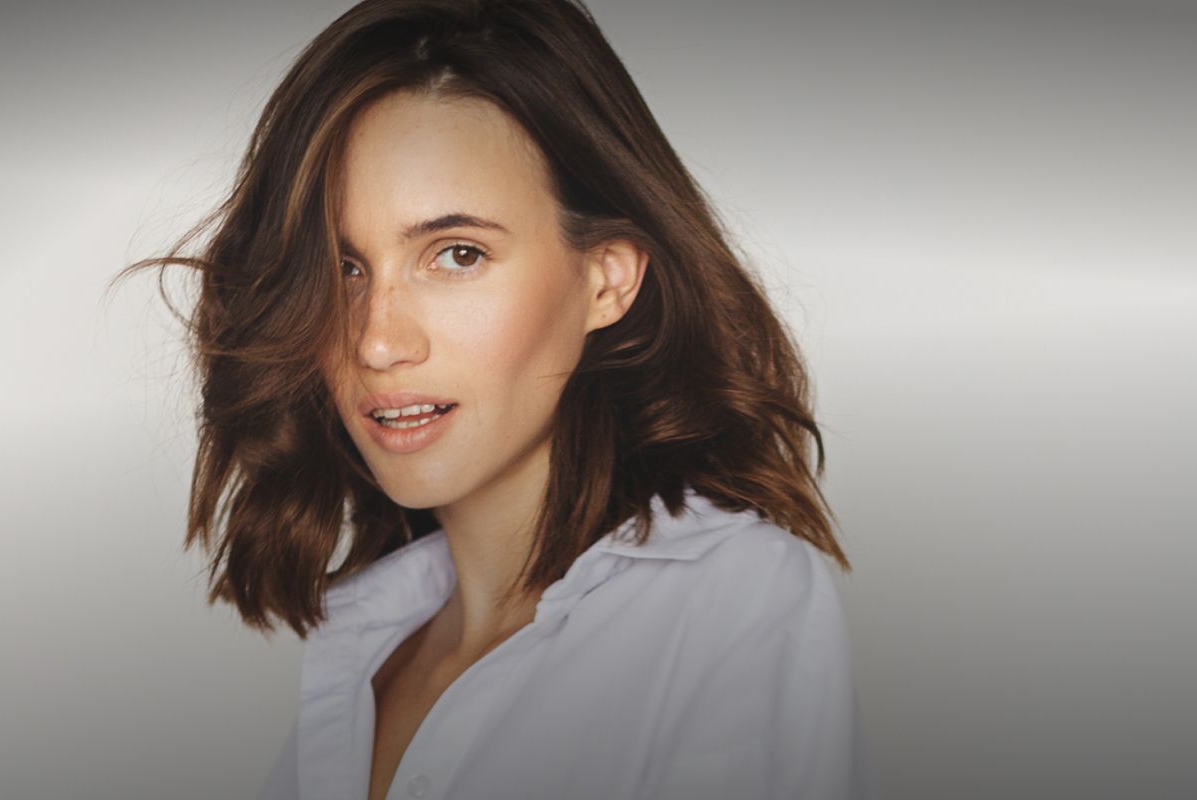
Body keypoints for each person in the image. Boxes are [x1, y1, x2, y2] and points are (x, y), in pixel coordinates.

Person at [122, 0, 876, 797]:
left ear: (607, 278)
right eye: (344, 269)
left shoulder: (732, 605)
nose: (377, 341)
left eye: (456, 254)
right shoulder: (369, 646)